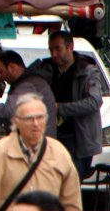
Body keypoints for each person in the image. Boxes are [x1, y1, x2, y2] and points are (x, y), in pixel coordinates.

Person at [29, 30, 103, 179]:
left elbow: (94, 102)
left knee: (70, 183)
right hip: (52, 137)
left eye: (58, 49)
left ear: (70, 47)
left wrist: (59, 108)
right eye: (51, 50)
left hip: (77, 141)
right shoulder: (47, 70)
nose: (54, 54)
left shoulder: (87, 72)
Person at [0, 50, 58, 138]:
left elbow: (7, 111)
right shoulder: (29, 82)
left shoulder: (28, 85)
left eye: (1, 71)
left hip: (38, 145)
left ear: (11, 67)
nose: (0, 76)